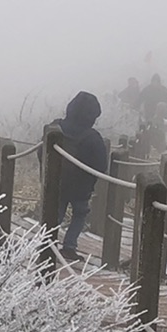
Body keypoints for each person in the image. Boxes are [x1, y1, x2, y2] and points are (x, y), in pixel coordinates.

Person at [49, 90, 110, 262]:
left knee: (55, 213)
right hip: (81, 187)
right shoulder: (93, 138)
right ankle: (69, 247)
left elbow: (42, 152)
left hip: (56, 182)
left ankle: (47, 244)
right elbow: (101, 166)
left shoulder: (55, 127)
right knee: (80, 214)